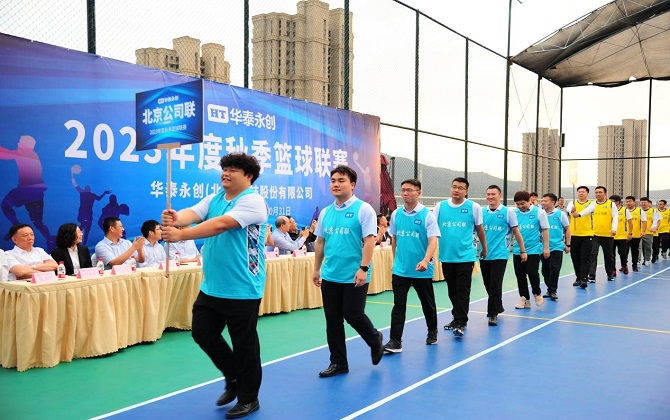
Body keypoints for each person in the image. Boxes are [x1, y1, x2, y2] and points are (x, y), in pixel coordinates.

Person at [161, 152, 267, 419]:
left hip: (242, 286)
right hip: (213, 286)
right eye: (224, 168)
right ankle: (233, 376)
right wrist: (176, 218)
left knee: (244, 346)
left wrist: (181, 234)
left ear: (249, 176)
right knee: (202, 333)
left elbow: (220, 224)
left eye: (233, 170)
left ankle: (249, 398)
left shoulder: (253, 201)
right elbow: (193, 213)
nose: (226, 173)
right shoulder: (215, 198)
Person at [312, 165, 384, 378]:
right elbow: (320, 242)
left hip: (355, 274)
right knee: (333, 320)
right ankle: (338, 363)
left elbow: (369, 240)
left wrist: (363, 268)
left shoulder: (363, 209)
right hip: (330, 274)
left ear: (352, 185)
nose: (336, 184)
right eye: (333, 180)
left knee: (353, 314)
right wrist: (316, 269)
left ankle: (375, 339)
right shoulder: (326, 212)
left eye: (341, 180)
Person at [382, 178, 440, 353]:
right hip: (401, 269)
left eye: (409, 190)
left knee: (427, 303)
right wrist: (395, 260)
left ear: (418, 192)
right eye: (403, 190)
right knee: (398, 305)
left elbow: (433, 241)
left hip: (421, 270)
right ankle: (395, 341)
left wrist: (425, 260)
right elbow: (394, 238)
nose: (405, 193)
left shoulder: (427, 215)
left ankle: (432, 330)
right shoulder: (396, 214)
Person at [433, 177, 487, 338]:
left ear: (466, 191)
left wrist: (484, 247)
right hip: (447, 256)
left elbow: (479, 229)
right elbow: (432, 229)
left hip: (466, 256)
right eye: (454, 187)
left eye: (460, 188)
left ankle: (460, 322)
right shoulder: (440, 206)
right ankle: (457, 317)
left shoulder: (473, 207)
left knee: (463, 289)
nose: (456, 190)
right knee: (452, 290)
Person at [480, 185, 525, 326]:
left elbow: (516, 232)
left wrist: (522, 250)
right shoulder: (481, 212)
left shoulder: (508, 212)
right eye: (488, 194)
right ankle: (497, 305)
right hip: (484, 254)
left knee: (495, 284)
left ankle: (492, 313)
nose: (490, 197)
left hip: (500, 254)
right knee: (488, 284)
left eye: (493, 194)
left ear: (500, 195)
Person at [0, 135, 52, 245]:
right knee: (38, 223)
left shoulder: (25, 153)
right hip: (36, 194)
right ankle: (49, 238)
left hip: (27, 192)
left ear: (25, 145)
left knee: (5, 204)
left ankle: (17, 227)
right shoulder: (33, 155)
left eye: (20, 142)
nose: (18, 143)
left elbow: (3, 154)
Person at [512, 191, 549, 309]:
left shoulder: (539, 212)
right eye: (518, 204)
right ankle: (524, 299)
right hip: (518, 249)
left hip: (534, 249)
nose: (520, 206)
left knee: (532, 272)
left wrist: (546, 247)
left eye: (522, 203)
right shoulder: (514, 213)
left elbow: (545, 230)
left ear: (529, 201)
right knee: (520, 275)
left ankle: (537, 294)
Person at [540, 193, 571, 300]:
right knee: (545, 271)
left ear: (553, 202)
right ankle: (550, 288)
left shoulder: (560, 214)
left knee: (554, 269)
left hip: (557, 246)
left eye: (545, 201)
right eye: (542, 201)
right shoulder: (540, 213)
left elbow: (567, 229)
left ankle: (552, 291)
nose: (542, 203)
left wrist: (568, 244)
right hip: (543, 247)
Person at [71, 165, 110, 246]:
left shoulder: (83, 193)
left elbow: (75, 185)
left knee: (83, 228)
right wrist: (105, 193)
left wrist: (72, 175)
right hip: (86, 214)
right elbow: (99, 198)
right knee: (85, 230)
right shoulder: (90, 194)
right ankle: (80, 243)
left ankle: (80, 244)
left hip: (84, 214)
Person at [567, 186, 596, 289]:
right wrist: (572, 210)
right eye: (579, 191)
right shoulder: (572, 202)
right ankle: (578, 277)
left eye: (583, 192)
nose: (581, 193)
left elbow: (588, 210)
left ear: (587, 193)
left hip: (587, 234)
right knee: (575, 257)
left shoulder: (592, 203)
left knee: (585, 257)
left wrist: (578, 214)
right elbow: (568, 209)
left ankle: (584, 279)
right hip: (574, 234)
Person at [587, 186, 617, 282]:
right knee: (592, 254)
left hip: (608, 235)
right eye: (596, 192)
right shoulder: (592, 204)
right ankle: (592, 275)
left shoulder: (611, 204)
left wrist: (614, 229)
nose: (598, 194)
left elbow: (615, 217)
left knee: (608, 255)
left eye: (600, 192)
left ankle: (610, 274)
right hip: (594, 234)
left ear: (605, 194)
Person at [611, 195, 633, 275]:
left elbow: (630, 223)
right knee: (611, 255)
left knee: (623, 253)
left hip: (622, 236)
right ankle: (613, 270)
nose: (610, 203)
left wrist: (630, 233)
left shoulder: (625, 210)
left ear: (617, 202)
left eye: (612, 201)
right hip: (611, 236)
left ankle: (624, 266)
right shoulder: (609, 210)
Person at [624, 196, 646, 272]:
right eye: (626, 201)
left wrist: (643, 231)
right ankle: (624, 265)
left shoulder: (640, 211)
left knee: (635, 251)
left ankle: (634, 266)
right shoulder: (623, 211)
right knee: (624, 252)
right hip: (624, 235)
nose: (628, 203)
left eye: (630, 201)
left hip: (636, 235)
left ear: (634, 202)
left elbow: (644, 222)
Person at [639, 197, 659, 266]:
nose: (643, 204)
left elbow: (657, 221)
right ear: (640, 203)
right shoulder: (638, 211)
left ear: (648, 203)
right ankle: (638, 260)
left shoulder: (654, 211)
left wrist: (654, 228)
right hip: (638, 232)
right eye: (642, 202)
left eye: (645, 202)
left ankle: (647, 259)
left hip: (648, 232)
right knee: (639, 247)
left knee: (647, 247)